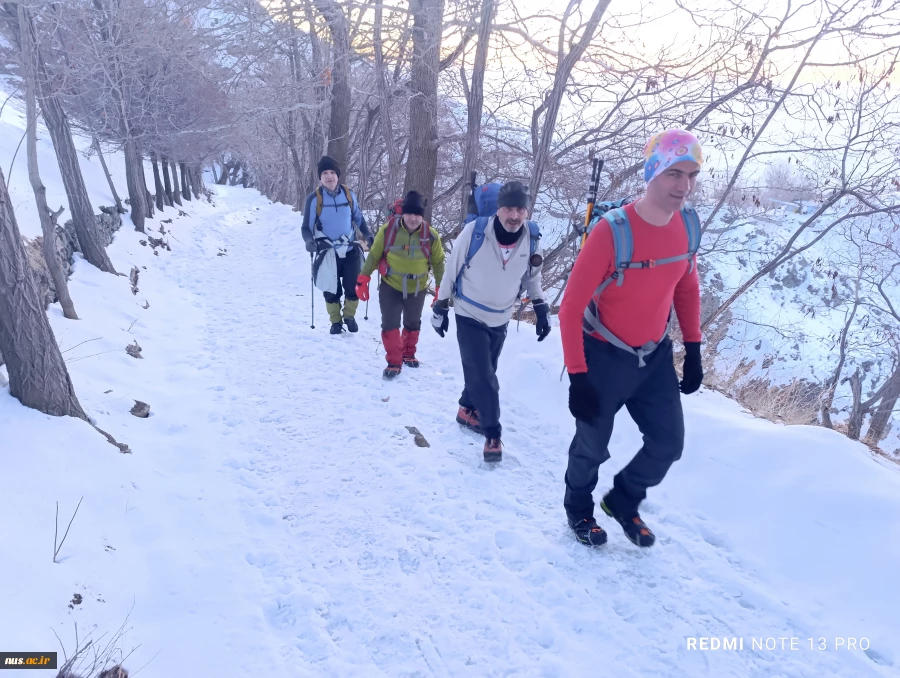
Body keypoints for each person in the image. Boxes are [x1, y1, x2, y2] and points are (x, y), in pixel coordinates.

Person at [558, 129, 705, 548]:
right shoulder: (611, 232)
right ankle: (579, 510)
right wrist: (578, 376)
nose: (684, 186)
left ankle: (623, 500)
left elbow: (686, 287)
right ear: (652, 173)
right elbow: (570, 309)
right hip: (604, 356)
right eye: (674, 174)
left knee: (669, 443)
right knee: (591, 445)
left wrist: (692, 348)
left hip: (654, 357)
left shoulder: (688, 225)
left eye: (691, 175)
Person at [432, 180, 551, 462]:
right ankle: (492, 433)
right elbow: (451, 270)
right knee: (484, 376)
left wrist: (541, 307)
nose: (514, 216)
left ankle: (466, 409)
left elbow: (533, 279)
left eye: (521, 209)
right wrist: (441, 305)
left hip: (501, 317)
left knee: (485, 369)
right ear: (498, 209)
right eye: (509, 208)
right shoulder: (474, 232)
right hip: (468, 313)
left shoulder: (532, 239)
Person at [356, 191, 445, 379]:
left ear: (422, 215)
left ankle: (408, 353)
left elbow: (438, 262)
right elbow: (374, 255)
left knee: (413, 323)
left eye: (417, 214)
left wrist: (440, 288)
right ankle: (394, 362)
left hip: (418, 287)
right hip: (391, 285)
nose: (413, 218)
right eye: (409, 214)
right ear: (403, 214)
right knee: (390, 323)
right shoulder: (389, 230)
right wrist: (363, 278)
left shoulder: (431, 235)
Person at [301, 156, 373, 335]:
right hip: (327, 251)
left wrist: (369, 234)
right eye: (325, 173)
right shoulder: (314, 199)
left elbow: (358, 218)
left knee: (353, 286)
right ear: (320, 177)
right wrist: (309, 241)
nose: (329, 176)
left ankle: (349, 317)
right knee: (330, 289)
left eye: (332, 172)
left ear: (338, 175)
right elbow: (306, 228)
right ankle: (335, 322)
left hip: (350, 248)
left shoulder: (348, 194)